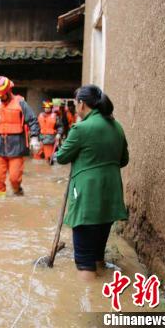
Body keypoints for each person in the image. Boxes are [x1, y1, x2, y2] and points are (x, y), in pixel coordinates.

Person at [56, 84, 129, 282]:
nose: (75, 108)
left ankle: (87, 306)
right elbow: (123, 160)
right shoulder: (117, 127)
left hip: (88, 198)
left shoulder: (81, 128)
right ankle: (103, 298)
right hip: (111, 196)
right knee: (97, 256)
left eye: (76, 103)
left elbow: (61, 157)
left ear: (82, 104)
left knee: (84, 262)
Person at [0, 76, 40, 196]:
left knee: (14, 178)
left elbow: (32, 120)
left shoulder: (20, 103)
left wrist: (34, 137)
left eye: (2, 95)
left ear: (8, 91)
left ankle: (18, 191)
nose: (0, 98)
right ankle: (1, 201)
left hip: (16, 147)